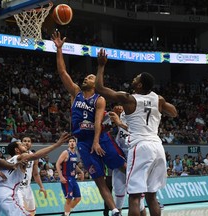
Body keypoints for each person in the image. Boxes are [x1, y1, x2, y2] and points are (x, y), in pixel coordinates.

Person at [95, 49, 177, 216]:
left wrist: (101, 66)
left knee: (134, 197)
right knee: (151, 196)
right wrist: (160, 105)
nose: (133, 78)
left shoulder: (129, 99)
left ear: (139, 85)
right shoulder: (158, 98)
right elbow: (174, 112)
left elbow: (100, 89)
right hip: (157, 146)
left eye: (136, 78)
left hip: (140, 147)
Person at [51, 31, 126, 216]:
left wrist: (96, 141)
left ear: (96, 83)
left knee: (124, 167)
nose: (86, 78)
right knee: (99, 180)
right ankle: (115, 211)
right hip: (83, 143)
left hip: (100, 138)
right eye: (86, 77)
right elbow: (62, 72)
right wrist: (59, 49)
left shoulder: (99, 99)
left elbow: (99, 121)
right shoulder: (75, 93)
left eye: (90, 77)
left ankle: (143, 192)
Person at [0, 132, 70, 216]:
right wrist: (57, 144)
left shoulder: (6, 161)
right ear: (17, 150)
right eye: (22, 144)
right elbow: (36, 155)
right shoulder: (22, 156)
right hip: (9, 192)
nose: (24, 144)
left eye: (27, 142)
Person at [17, 136, 47, 215]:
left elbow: (36, 174)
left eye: (29, 141)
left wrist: (41, 187)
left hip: (27, 187)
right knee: (22, 212)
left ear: (31, 144)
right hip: (17, 188)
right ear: (21, 143)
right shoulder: (16, 155)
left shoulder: (34, 157)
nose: (26, 142)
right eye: (24, 141)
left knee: (32, 212)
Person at [56, 136, 84, 216]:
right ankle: (66, 213)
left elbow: (74, 165)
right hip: (66, 177)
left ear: (75, 143)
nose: (72, 143)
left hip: (73, 178)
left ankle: (66, 213)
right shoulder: (66, 152)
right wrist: (61, 177)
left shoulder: (75, 153)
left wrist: (81, 171)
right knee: (69, 199)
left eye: (73, 141)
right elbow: (58, 164)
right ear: (68, 143)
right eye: (70, 141)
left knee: (78, 198)